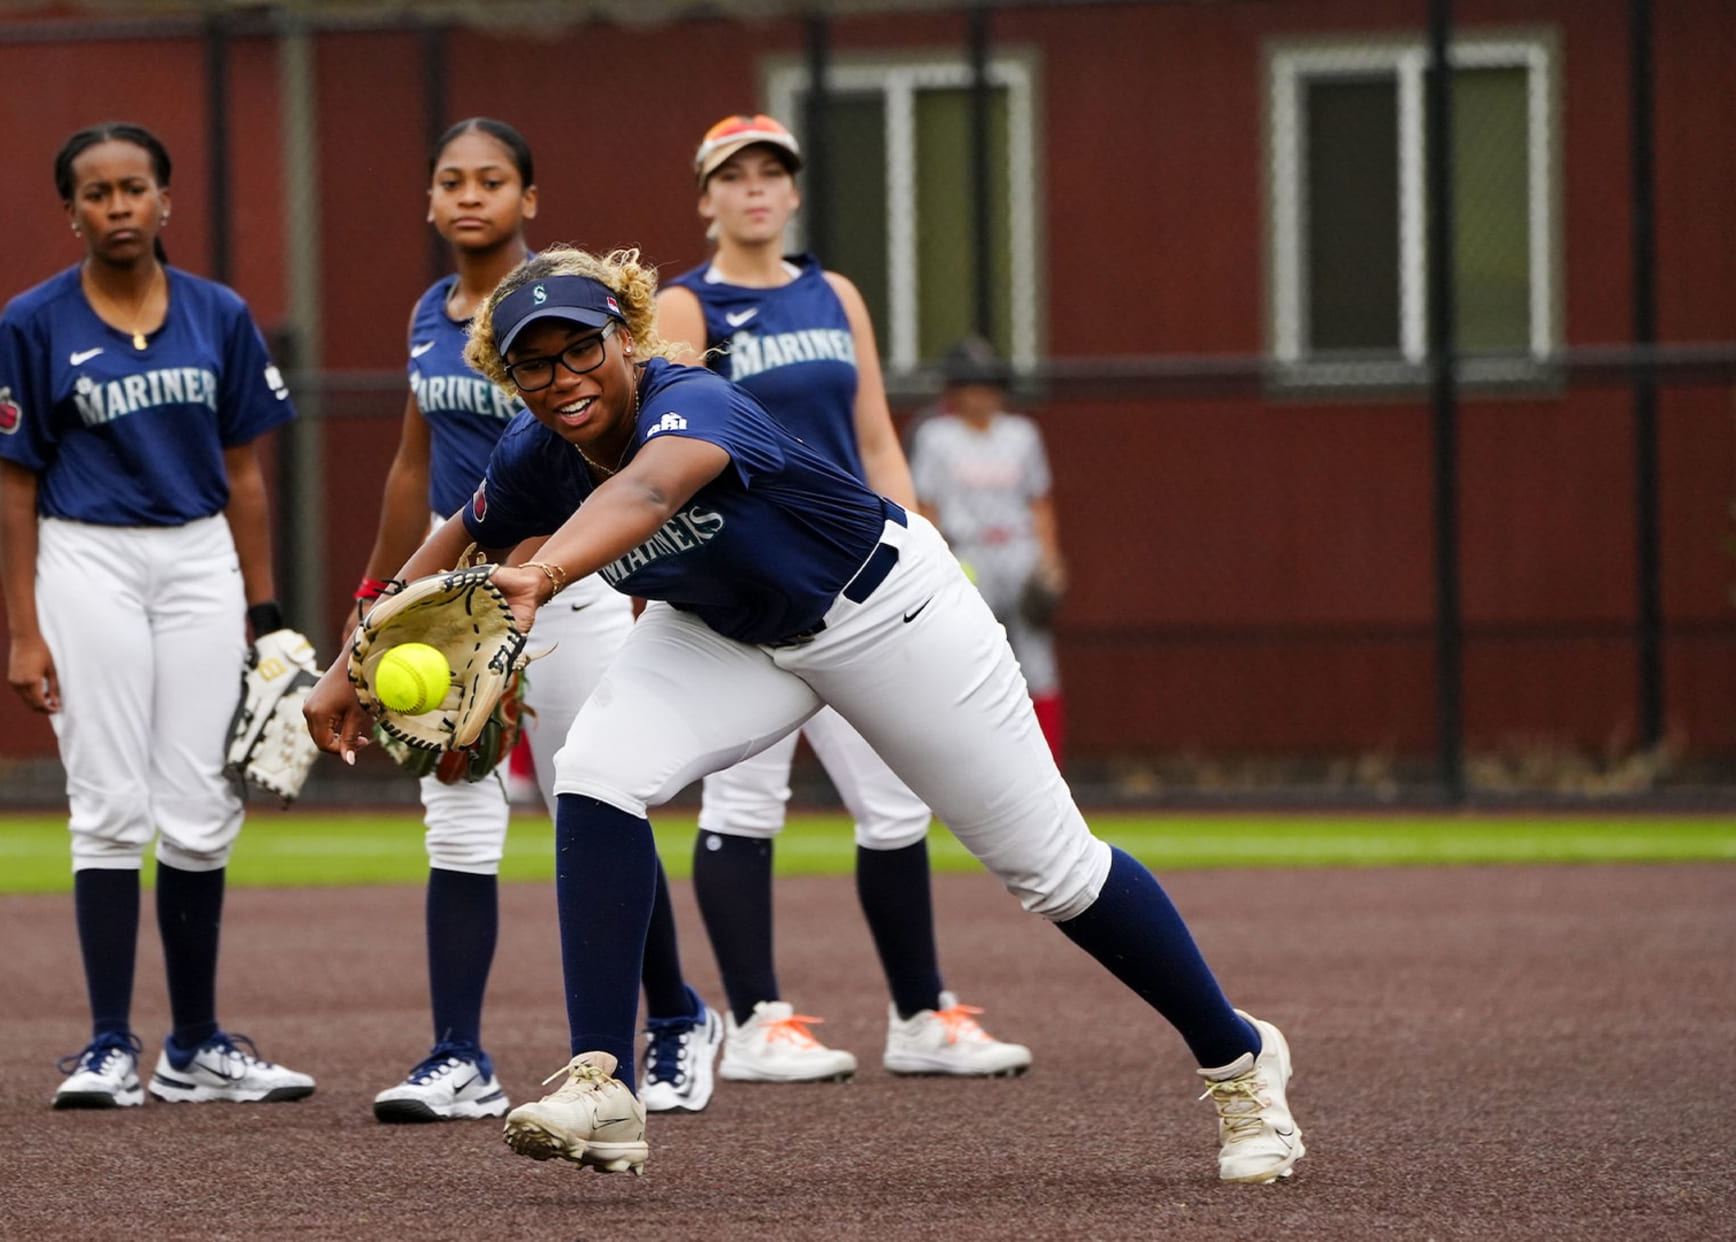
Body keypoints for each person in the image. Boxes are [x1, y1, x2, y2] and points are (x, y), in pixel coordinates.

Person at [304, 247, 1305, 1184]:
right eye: (534, 365)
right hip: (730, 636)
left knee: (1051, 868)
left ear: (627, 339)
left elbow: (652, 489)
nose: (563, 376)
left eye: (581, 347)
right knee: (597, 769)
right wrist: (354, 657)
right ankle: (603, 1086)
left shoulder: (692, 398)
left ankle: (1240, 1060)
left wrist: (543, 572)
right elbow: (459, 531)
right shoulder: (536, 452)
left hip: (885, 610)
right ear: (508, 380)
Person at [352, 118, 717, 1124]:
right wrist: (374, 601)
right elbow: (411, 469)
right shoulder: (433, 311)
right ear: (429, 201)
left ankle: (678, 1018)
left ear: (530, 198)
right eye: (451, 180)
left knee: (592, 799)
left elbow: (615, 447)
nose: (470, 195)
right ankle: (457, 1053)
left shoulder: (557, 297)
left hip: (569, 570)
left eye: (493, 179)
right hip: (459, 575)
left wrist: (543, 579)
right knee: (457, 813)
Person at [652, 114, 1028, 1087]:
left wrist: (919, 541)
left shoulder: (835, 294)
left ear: (793, 191)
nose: (756, 189)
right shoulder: (687, 308)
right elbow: (663, 456)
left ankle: (919, 1015)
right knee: (744, 798)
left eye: (772, 171)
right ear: (706, 199)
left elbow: (873, 437)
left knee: (896, 801)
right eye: (734, 175)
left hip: (857, 582)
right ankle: (756, 1020)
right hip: (750, 587)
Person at [0, 122, 314, 1111]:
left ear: (167, 201)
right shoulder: (33, 322)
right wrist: (23, 628)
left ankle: (196, 1044)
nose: (118, 206)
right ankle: (107, 1045)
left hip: (202, 556)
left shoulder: (218, 313)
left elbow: (246, 473)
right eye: (97, 192)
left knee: (203, 811)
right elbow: (11, 488)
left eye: (135, 188)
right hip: (87, 558)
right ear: (70, 211)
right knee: (110, 804)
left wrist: (267, 610)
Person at [912, 336, 1068, 763]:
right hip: (967, 555)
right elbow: (927, 506)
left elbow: (1039, 501)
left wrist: (1050, 558)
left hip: (1019, 549)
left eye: (987, 385)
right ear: (954, 392)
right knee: (965, 660)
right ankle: (973, 764)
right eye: (970, 385)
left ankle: (1047, 766)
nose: (980, 394)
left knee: (1036, 662)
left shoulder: (1021, 434)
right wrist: (934, 565)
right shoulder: (936, 437)